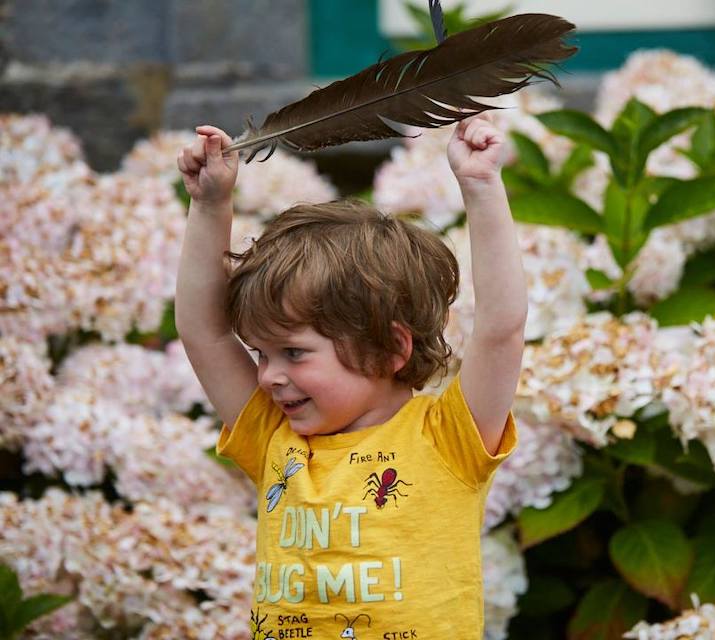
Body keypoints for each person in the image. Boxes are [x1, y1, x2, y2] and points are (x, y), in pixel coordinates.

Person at [175, 115, 525, 638]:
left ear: (390, 348)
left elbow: (501, 329)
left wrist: (481, 188)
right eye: (262, 354)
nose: (268, 376)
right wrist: (209, 207)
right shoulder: (274, 437)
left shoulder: (449, 440)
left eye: (294, 352)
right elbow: (206, 334)